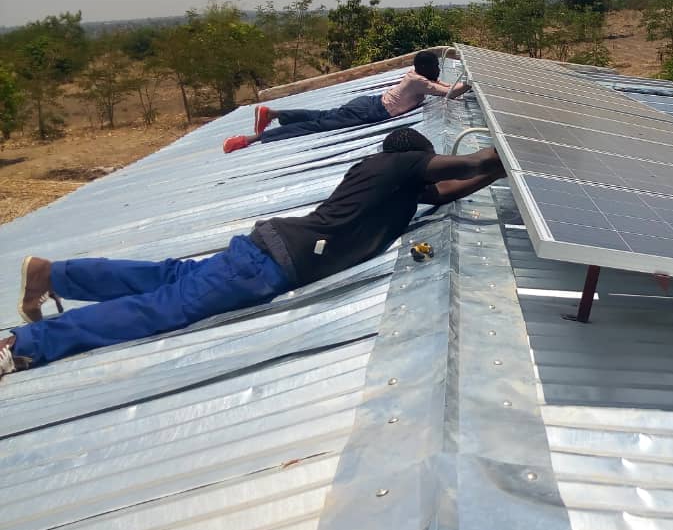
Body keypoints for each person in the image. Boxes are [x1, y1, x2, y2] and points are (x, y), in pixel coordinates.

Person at [1, 128, 505, 379]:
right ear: (414, 159)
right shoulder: (397, 166)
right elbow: (470, 160)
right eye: (424, 166)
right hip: (270, 265)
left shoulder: (386, 188)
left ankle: (55, 274)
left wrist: (494, 176)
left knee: (165, 280)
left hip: (265, 252)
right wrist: (516, 157)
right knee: (161, 309)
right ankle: (24, 345)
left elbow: (446, 190)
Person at [223, 50, 470, 153]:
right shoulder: (420, 82)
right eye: (436, 66)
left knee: (321, 116)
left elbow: (443, 86)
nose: (438, 69)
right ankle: (251, 139)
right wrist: (470, 84)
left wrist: (462, 82)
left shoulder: (415, 75)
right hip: (370, 112)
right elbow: (447, 92)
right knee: (317, 126)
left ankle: (274, 113)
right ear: (426, 67)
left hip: (368, 104)